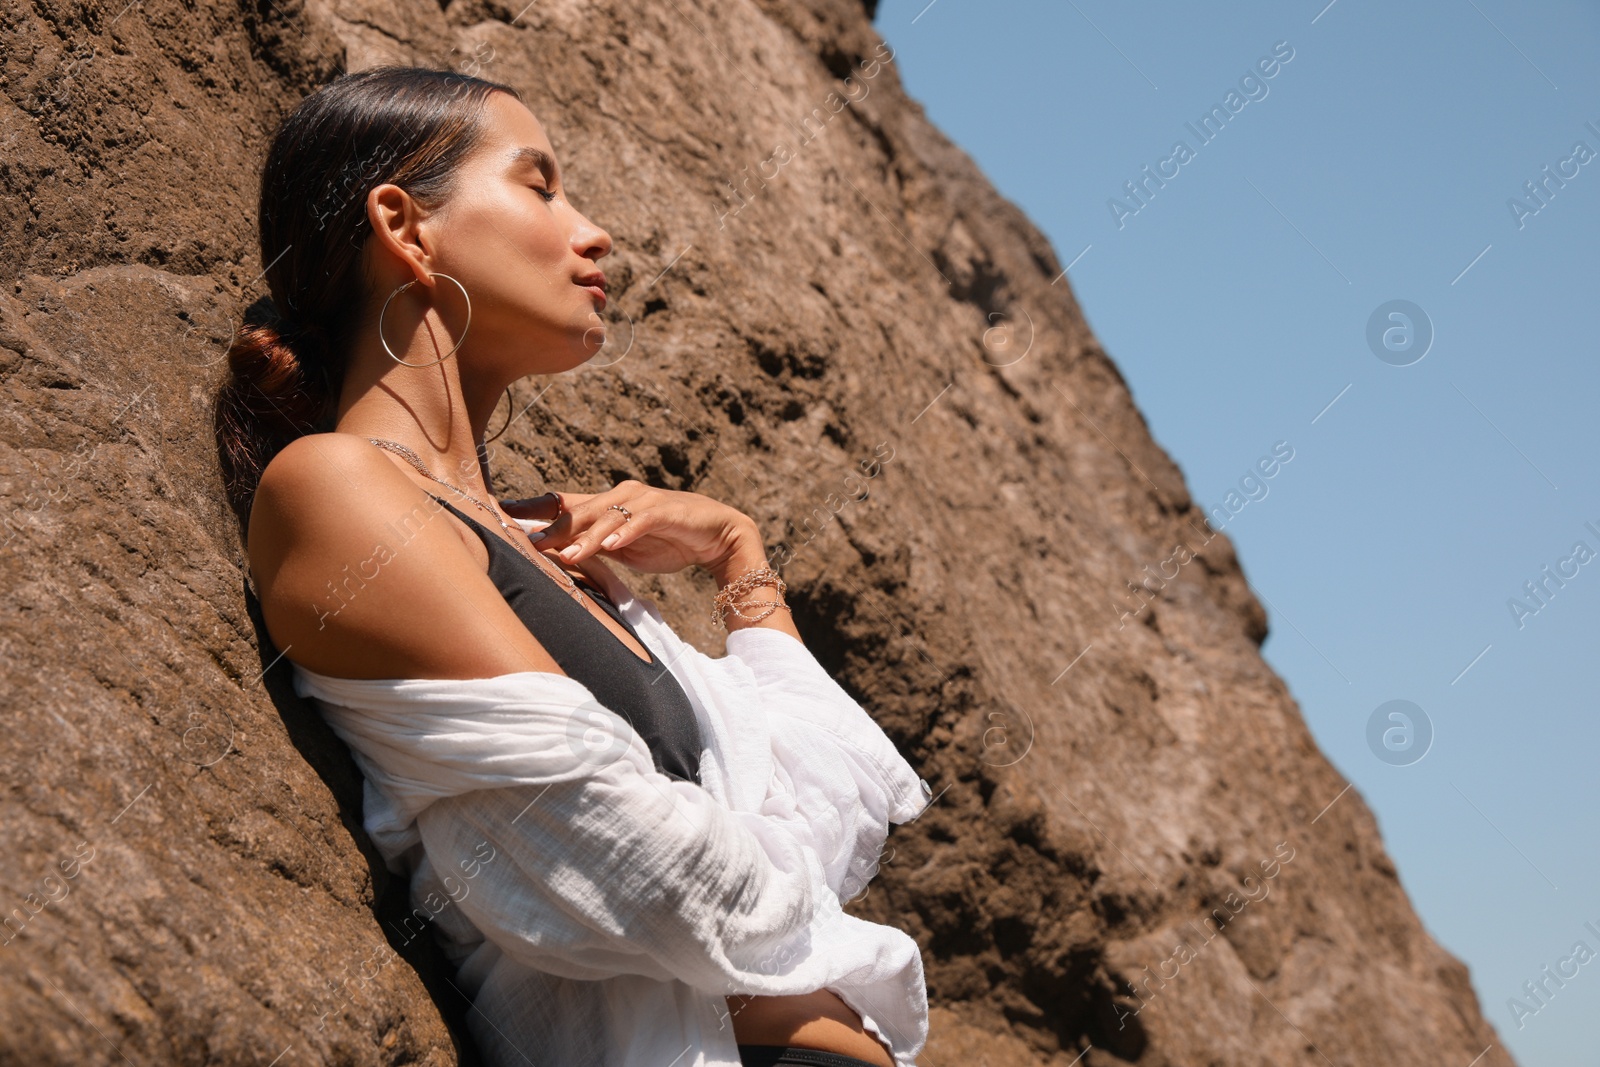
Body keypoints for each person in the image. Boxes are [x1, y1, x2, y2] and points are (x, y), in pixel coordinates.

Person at [214, 67, 930, 1067]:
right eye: (541, 187)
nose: (594, 233)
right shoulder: (337, 490)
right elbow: (627, 856)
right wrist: (816, 920)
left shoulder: (544, 551)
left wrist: (738, 555)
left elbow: (840, 803)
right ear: (405, 226)